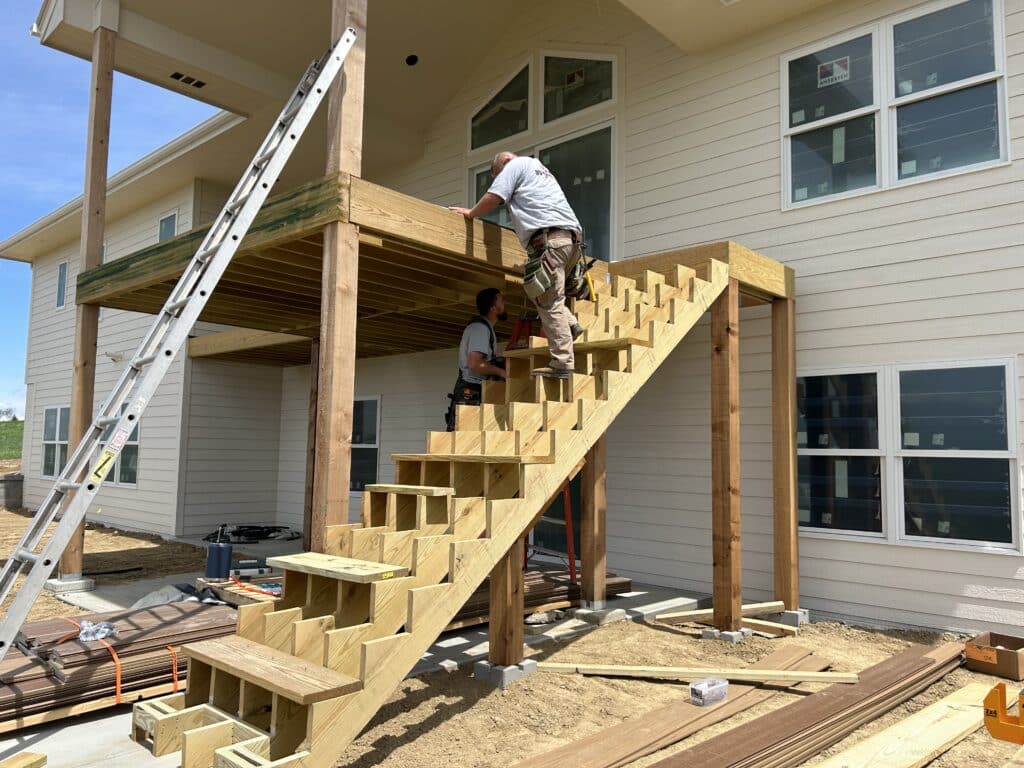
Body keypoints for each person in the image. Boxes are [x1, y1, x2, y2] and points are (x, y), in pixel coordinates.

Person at [450, 151, 584, 380]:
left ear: (502, 165)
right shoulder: (540, 170)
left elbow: (494, 197)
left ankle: (562, 363)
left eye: (497, 176)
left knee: (548, 300)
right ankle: (570, 324)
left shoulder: (515, 165)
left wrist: (471, 213)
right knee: (542, 292)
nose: (500, 180)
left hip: (550, 241)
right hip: (571, 242)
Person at [444, 288, 508, 431]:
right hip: (470, 392)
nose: (504, 302)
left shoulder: (484, 328)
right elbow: (475, 363)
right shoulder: (480, 328)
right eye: (501, 300)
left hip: (474, 391)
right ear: (493, 308)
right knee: (464, 440)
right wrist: (501, 372)